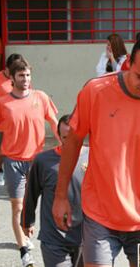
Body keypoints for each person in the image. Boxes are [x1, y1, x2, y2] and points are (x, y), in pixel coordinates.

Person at [52, 32, 140, 267]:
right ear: (128, 63)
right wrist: (60, 196)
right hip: (99, 216)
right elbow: (73, 142)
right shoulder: (95, 90)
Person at [0, 58, 59, 267]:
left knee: (43, 204)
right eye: (21, 75)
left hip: (37, 161)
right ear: (12, 78)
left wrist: (65, 146)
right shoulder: (2, 103)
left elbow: (54, 122)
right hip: (13, 162)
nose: (26, 79)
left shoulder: (40, 97)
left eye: (28, 75)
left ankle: (34, 230)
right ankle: (24, 252)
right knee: (17, 207)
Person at [21, 114, 88, 267]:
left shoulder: (92, 157)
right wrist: (27, 221)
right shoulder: (43, 161)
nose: (70, 141)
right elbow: (31, 193)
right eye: (65, 137)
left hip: (85, 238)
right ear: (59, 136)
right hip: (54, 238)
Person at [0, 53, 27, 187]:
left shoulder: (21, 79)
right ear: (7, 68)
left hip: (17, 122)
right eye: (14, 69)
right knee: (0, 150)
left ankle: (18, 175)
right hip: (0, 123)